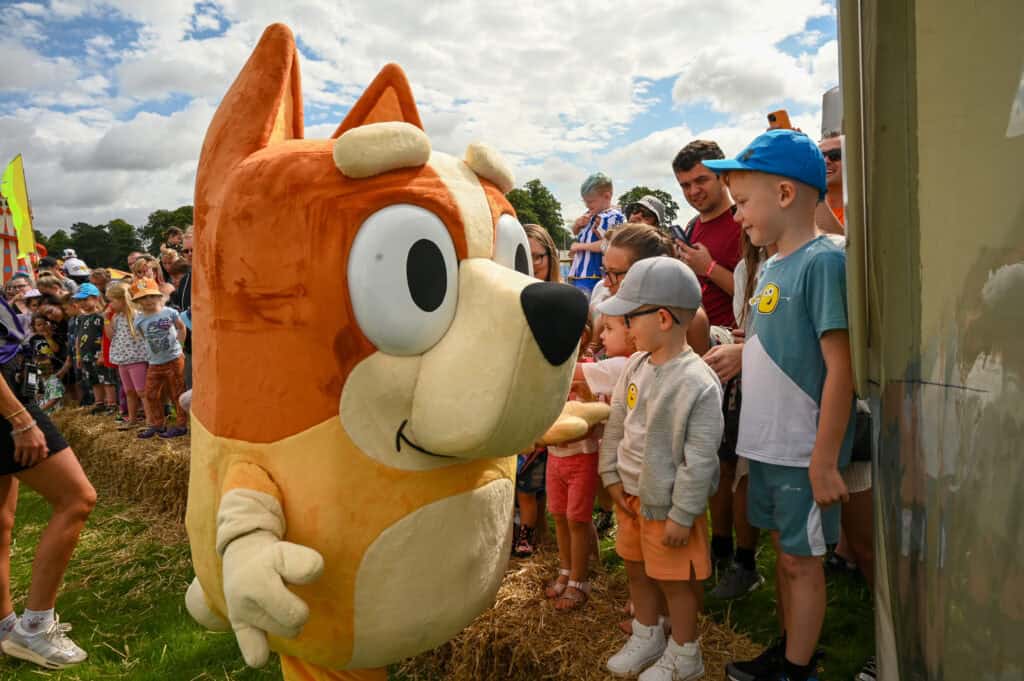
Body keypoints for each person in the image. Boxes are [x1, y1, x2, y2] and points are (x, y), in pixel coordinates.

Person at [703, 130, 856, 681]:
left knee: (801, 561)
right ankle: (790, 649)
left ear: (786, 195)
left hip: (800, 450)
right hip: (767, 445)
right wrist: (745, 354)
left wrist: (823, 459)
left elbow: (841, 367)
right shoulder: (771, 267)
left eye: (743, 203)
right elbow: (786, 340)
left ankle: (797, 669)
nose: (738, 215)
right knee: (784, 555)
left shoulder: (822, 263)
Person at [598, 256, 723, 681]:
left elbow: (700, 457)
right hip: (632, 498)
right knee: (636, 570)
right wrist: (611, 475)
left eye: (632, 317)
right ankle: (647, 634)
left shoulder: (697, 382)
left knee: (676, 582)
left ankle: (685, 655)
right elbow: (618, 421)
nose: (626, 326)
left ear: (664, 318)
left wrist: (683, 515)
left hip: (669, 508)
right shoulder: (636, 365)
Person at [0, 292, 95, 669]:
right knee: (77, 497)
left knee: (2, 523)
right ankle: (36, 628)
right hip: (9, 404)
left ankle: (6, 627)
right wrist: (21, 420)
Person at [701, 228, 768, 600]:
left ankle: (745, 561)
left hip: (762, 381)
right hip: (738, 375)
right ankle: (723, 550)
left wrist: (748, 351)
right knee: (726, 462)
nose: (740, 217)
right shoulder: (747, 267)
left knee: (745, 471)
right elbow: (748, 328)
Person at [601, 224, 711, 356]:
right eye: (605, 271)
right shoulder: (614, 308)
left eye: (614, 273)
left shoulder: (690, 320)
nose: (606, 283)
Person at [671, 140, 742, 329]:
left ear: (723, 177)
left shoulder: (745, 222)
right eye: (685, 185)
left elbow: (760, 294)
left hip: (729, 343)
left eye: (701, 180)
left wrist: (709, 268)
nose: (694, 191)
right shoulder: (692, 226)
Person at [130, 278, 188, 439]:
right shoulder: (139, 319)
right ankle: (157, 425)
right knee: (151, 394)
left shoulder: (169, 312)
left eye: (150, 296)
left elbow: (181, 328)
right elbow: (144, 337)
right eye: (142, 298)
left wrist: (180, 347)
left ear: (158, 296)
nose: (147, 300)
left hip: (174, 359)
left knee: (177, 393)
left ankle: (181, 425)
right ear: (137, 301)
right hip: (155, 363)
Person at [567, 173, 625, 297]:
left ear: (607, 196)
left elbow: (609, 244)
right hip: (580, 274)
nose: (587, 205)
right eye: (585, 202)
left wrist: (579, 247)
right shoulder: (591, 213)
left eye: (591, 201)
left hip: (595, 275)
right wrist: (577, 225)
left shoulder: (614, 216)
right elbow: (577, 232)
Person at [105, 283, 149, 430]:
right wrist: (106, 319)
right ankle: (132, 419)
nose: (110, 304)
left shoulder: (137, 315)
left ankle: (151, 421)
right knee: (129, 391)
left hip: (137, 359)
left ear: (123, 299)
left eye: (112, 301)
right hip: (122, 360)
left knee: (142, 391)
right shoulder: (117, 317)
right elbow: (111, 336)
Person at [71, 284, 117, 414]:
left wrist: (103, 354)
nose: (82, 303)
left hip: (99, 354)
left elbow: (105, 336)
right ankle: (99, 403)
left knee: (106, 379)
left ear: (96, 298)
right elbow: (78, 337)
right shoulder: (80, 318)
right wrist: (78, 356)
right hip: (85, 355)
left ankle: (111, 404)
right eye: (79, 300)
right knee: (93, 379)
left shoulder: (101, 316)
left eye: (85, 299)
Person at [815, 135, 845, 236]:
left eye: (835, 155)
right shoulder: (803, 211)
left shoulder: (863, 209)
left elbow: (844, 247)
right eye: (819, 156)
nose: (825, 161)